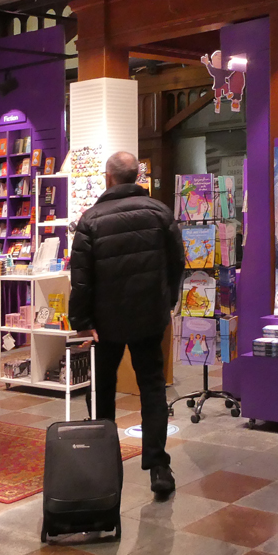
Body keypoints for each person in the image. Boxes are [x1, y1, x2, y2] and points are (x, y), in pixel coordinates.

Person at [68, 151, 184, 497]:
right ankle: (159, 467)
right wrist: (167, 302)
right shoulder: (160, 212)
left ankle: (104, 466)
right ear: (138, 177)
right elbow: (177, 262)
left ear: (108, 177)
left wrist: (81, 321)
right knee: (152, 388)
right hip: (149, 317)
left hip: (105, 324)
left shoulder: (91, 220)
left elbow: (81, 279)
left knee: (101, 390)